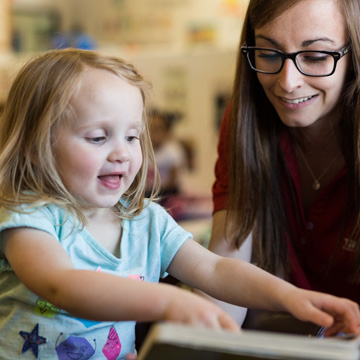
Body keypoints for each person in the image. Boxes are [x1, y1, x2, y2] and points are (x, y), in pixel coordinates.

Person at [0, 49, 359, 360]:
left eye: (132, 136)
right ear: (36, 147)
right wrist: (169, 302)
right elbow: (62, 285)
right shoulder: (29, 221)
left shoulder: (145, 222)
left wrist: (291, 297)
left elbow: (216, 270)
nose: (122, 153)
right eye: (98, 137)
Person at [209, 0, 360, 327]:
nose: (287, 82)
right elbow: (224, 274)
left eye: (316, 57)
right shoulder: (244, 121)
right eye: (268, 53)